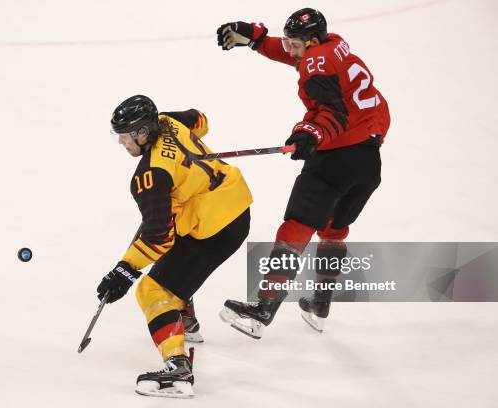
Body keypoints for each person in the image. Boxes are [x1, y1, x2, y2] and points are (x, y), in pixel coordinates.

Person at [216, 8, 390, 337]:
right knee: (333, 229)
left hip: (334, 159)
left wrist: (310, 133)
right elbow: (302, 59)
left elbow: (332, 111)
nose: (290, 50)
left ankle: (262, 310)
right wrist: (257, 40)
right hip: (368, 162)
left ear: (310, 42)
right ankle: (320, 304)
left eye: (294, 44)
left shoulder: (316, 65)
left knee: (296, 226)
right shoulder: (336, 48)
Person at [96, 95, 252, 398]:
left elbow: (158, 237)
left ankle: (177, 366)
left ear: (143, 133)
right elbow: (200, 120)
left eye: (125, 136)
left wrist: (125, 270)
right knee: (175, 250)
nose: (121, 142)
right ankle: (186, 318)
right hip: (234, 205)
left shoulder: (150, 177)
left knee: (151, 290)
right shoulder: (168, 121)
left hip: (214, 229)